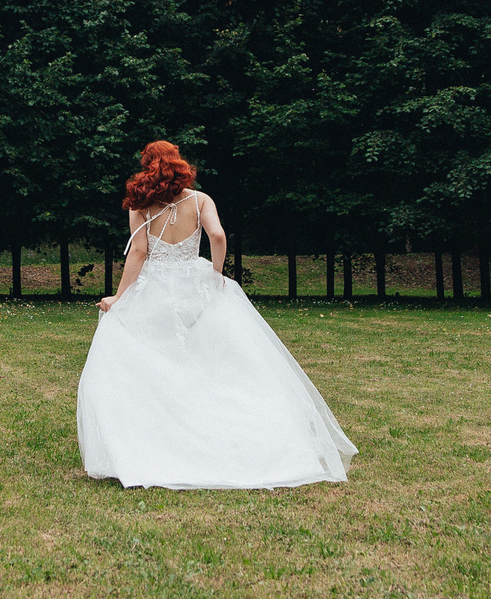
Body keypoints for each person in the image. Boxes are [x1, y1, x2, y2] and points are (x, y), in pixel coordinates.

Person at [76, 141, 356, 490]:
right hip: (194, 286)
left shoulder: (141, 204)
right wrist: (216, 274)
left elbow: (139, 253)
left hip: (157, 289)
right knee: (206, 359)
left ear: (148, 167)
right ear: (179, 165)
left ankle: (157, 436)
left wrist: (119, 297)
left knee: (146, 356)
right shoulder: (201, 199)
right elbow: (218, 235)